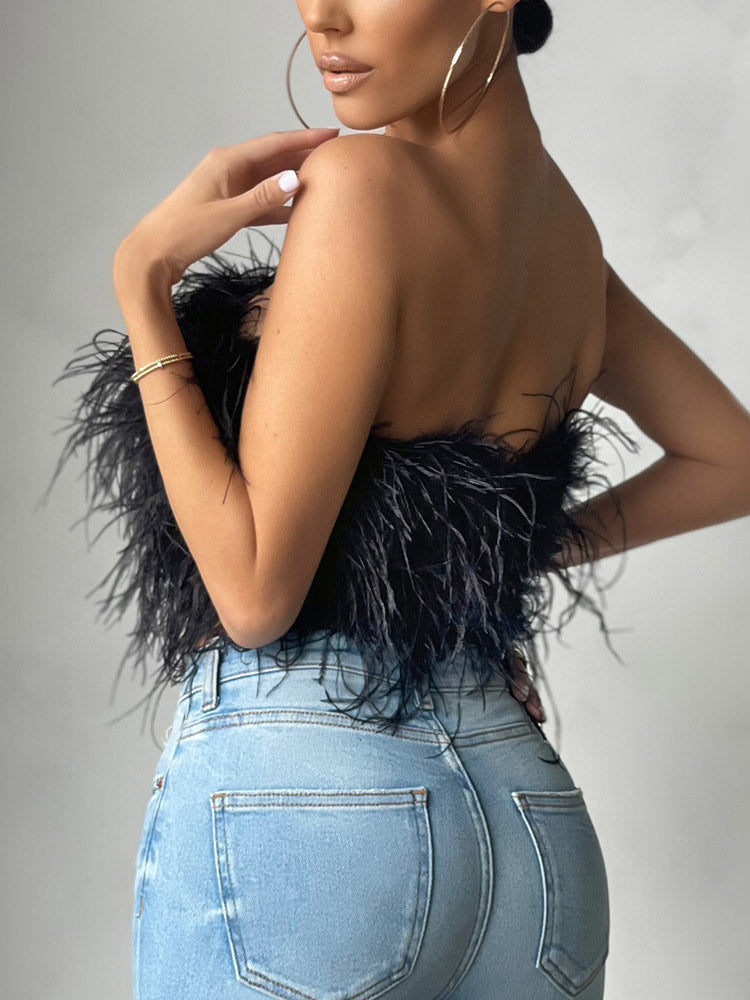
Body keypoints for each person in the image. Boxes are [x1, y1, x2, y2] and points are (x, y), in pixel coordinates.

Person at [45, 3, 750, 999]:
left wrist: (142, 285)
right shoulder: (566, 240)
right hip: (527, 822)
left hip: (312, 801)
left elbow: (254, 595)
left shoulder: (362, 185)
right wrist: (479, 559)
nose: (321, 14)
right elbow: (730, 456)